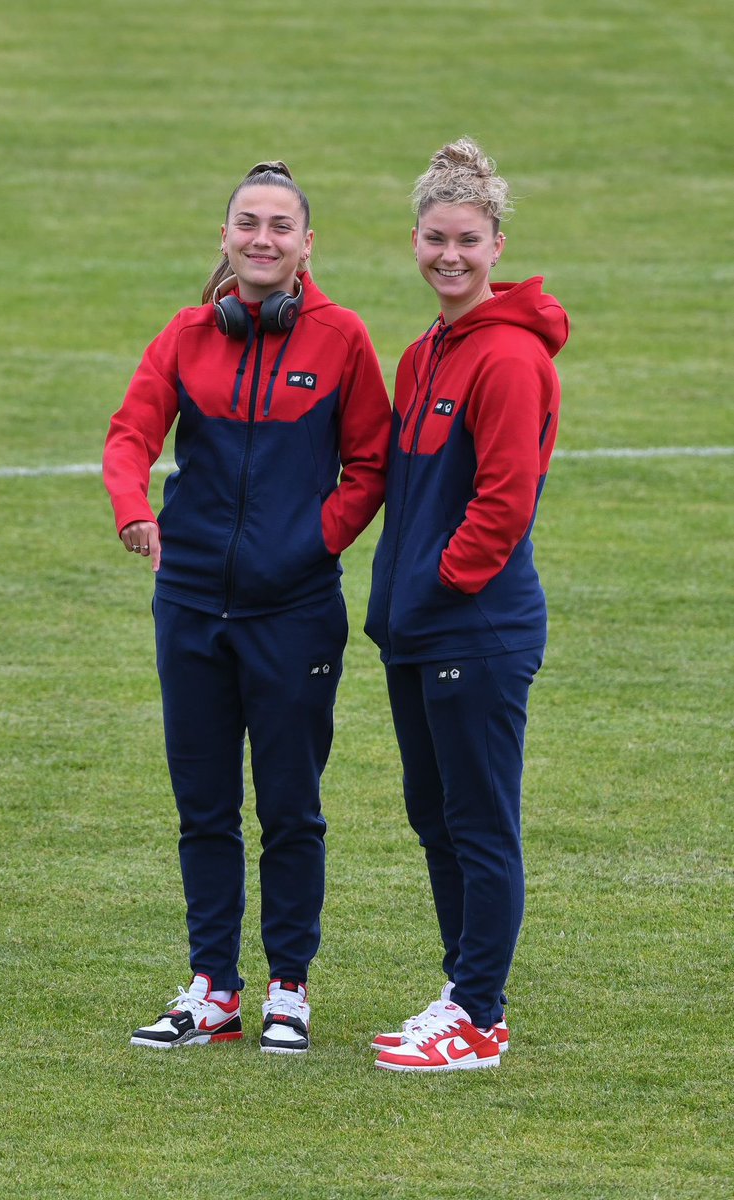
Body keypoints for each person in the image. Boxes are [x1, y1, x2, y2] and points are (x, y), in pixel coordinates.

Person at [103, 161, 391, 1055]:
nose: (261, 239)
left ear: (307, 245)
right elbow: (129, 435)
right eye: (246, 223)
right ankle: (213, 989)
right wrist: (135, 509)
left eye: (279, 226)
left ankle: (290, 988)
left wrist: (310, 544)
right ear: (225, 237)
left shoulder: (342, 339)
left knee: (291, 808)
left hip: (294, 612)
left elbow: (373, 464)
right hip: (188, 607)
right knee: (203, 807)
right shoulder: (188, 334)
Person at [364, 137, 569, 1072]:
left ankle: (478, 1017)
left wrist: (440, 584)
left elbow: (504, 499)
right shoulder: (421, 355)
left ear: (496, 245)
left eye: (468, 240)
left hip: (473, 628)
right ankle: (461, 992)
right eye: (434, 238)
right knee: (434, 815)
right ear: (414, 240)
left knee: (479, 822)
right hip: (417, 628)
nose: (449, 256)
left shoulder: (509, 359)